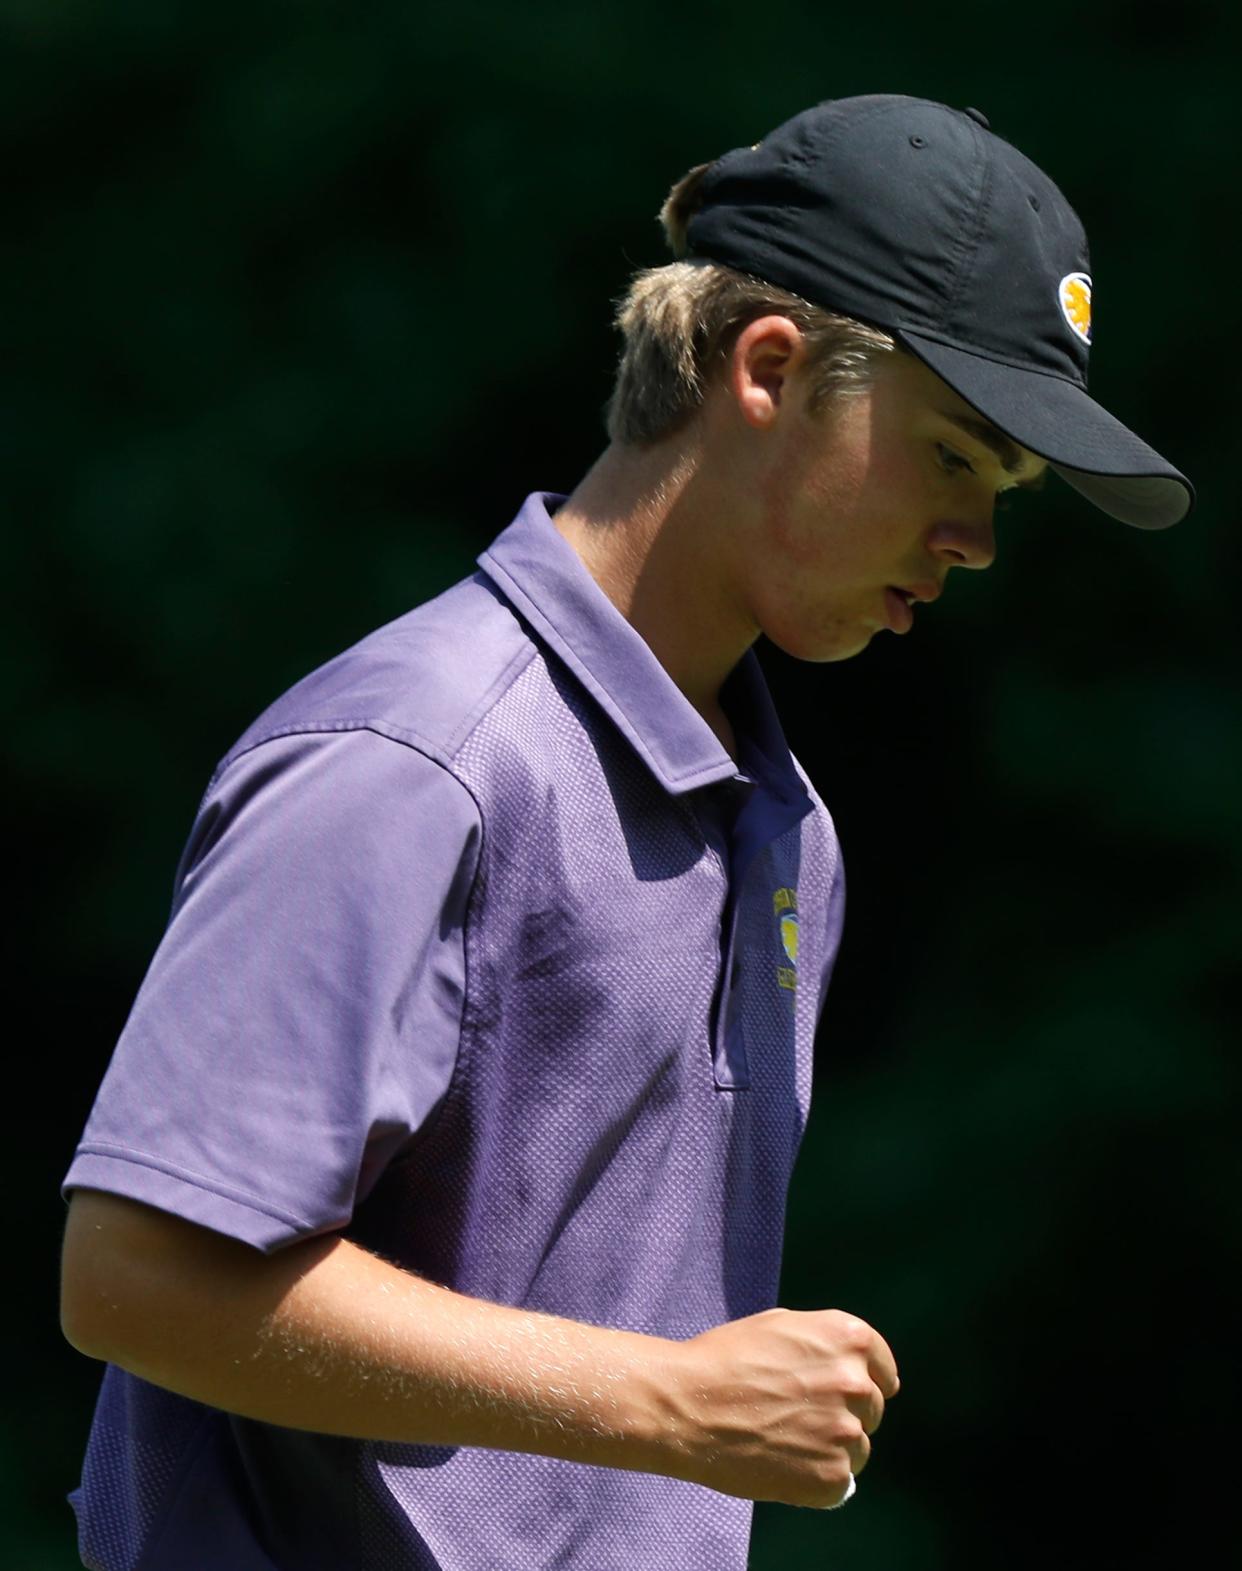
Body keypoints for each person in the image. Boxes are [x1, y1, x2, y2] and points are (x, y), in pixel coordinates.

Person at [58, 94, 1192, 1571]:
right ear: (769, 371)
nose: (974, 540)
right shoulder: (417, 758)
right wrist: (666, 1400)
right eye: (954, 456)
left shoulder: (789, 832)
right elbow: (136, 1275)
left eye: (1004, 492)